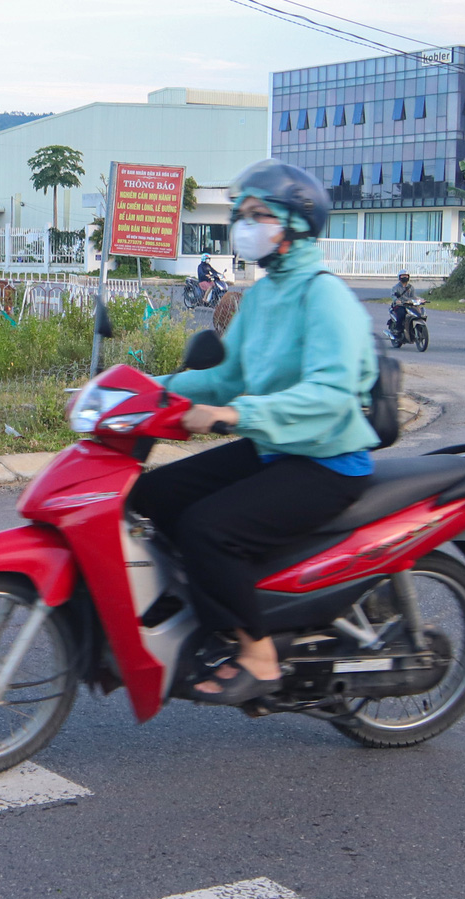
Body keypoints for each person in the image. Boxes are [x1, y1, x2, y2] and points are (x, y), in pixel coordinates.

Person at [128, 159, 379, 706]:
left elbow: (330, 395)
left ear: (294, 223)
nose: (245, 224)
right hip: (276, 450)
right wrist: (137, 389)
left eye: (259, 214)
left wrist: (234, 417)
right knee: (152, 494)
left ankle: (260, 654)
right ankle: (219, 608)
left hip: (328, 462)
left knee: (207, 528)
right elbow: (227, 377)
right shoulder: (262, 296)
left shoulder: (325, 296)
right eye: (242, 214)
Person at [389, 271, 420, 340]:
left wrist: (419, 300)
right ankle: (398, 330)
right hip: (399, 305)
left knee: (418, 313)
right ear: (399, 277)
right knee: (401, 314)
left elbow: (413, 296)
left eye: (406, 276)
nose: (405, 277)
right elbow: (393, 296)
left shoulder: (411, 287)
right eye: (403, 276)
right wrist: (396, 300)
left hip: (409, 305)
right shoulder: (396, 287)